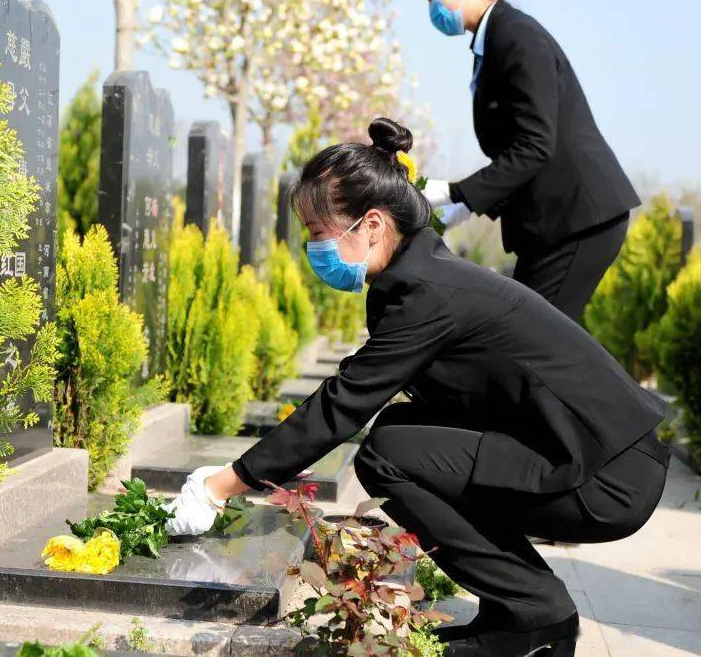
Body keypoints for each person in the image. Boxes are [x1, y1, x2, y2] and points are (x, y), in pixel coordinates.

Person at [165, 118, 672, 656]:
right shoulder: (413, 276)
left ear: (374, 224)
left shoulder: (429, 292)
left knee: (388, 456)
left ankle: (536, 614)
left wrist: (226, 483)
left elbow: (342, 405)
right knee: (404, 432)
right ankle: (510, 611)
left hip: (608, 477)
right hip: (596, 456)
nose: (315, 248)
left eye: (320, 232)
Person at [415, 0, 641, 321]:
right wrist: (466, 206)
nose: (431, 8)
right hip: (557, 223)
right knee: (528, 347)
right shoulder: (493, 40)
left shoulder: (515, 36)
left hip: (578, 220)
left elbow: (536, 145)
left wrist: (455, 192)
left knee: (529, 348)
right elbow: (517, 146)